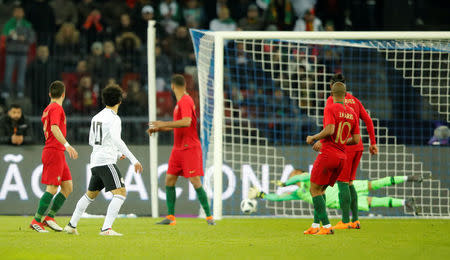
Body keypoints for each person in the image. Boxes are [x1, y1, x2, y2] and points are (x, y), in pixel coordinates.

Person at [64, 84, 143, 236]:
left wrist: (117, 153)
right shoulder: (114, 118)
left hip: (96, 161)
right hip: (106, 161)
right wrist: (134, 160)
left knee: (89, 196)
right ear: (120, 100)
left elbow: (92, 141)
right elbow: (116, 140)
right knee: (120, 193)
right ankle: (106, 229)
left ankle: (71, 225)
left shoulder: (96, 117)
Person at [147, 74, 215, 226]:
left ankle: (209, 217)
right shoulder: (180, 103)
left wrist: (162, 124)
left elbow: (186, 122)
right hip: (178, 148)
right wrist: (160, 128)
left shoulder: (186, 100)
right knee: (169, 179)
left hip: (189, 147)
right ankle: (171, 217)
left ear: (172, 86)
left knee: (195, 180)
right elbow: (179, 125)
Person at [317, 73, 378, 230]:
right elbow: (368, 120)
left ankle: (345, 221)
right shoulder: (354, 100)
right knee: (350, 183)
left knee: (342, 183)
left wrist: (322, 143)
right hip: (358, 146)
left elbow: (329, 128)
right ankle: (355, 220)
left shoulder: (332, 101)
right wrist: (373, 143)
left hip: (344, 147)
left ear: (332, 86)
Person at [304, 82, 360, 235]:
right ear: (346, 94)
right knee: (321, 190)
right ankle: (316, 225)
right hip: (342, 158)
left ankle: (327, 227)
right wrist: (340, 142)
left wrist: (314, 137)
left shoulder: (330, 108)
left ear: (331, 92)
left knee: (314, 189)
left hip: (328, 155)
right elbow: (355, 139)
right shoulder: (352, 113)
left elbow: (330, 129)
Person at [249, 169, 421, 214]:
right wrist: (261, 194)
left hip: (344, 187)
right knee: (373, 202)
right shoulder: (299, 193)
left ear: (300, 174)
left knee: (375, 184)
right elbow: (278, 198)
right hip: (340, 202)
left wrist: (285, 182)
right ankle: (406, 203)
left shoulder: (310, 177)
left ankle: (408, 178)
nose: (293, 176)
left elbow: (297, 179)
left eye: (295, 174)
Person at [30, 81, 79, 233]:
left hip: (56, 151)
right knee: (52, 187)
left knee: (68, 187)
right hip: (54, 150)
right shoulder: (56, 108)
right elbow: (54, 127)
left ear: (50, 94)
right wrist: (67, 145)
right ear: (64, 94)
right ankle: (36, 220)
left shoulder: (47, 109)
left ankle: (49, 217)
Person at [2, 5, 35, 98]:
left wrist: (24, 38)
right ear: (13, 13)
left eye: (20, 11)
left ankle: (20, 91)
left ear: (23, 13)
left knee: (21, 73)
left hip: (23, 53)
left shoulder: (27, 25)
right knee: (8, 73)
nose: (18, 13)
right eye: (16, 11)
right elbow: (4, 37)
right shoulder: (8, 24)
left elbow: (32, 38)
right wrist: (10, 36)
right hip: (10, 53)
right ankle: (6, 91)